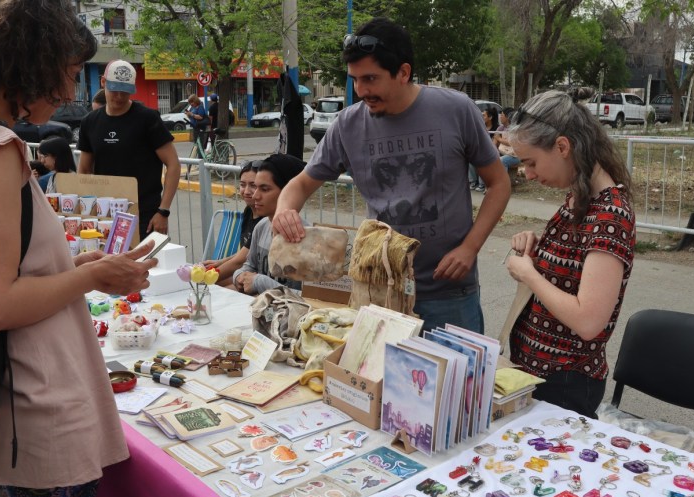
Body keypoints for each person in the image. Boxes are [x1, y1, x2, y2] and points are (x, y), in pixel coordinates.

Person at [0, 2, 157, 497]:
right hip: (33, 401)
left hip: (23, 393)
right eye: (71, 75)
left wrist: (74, 270)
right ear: (35, 63)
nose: (72, 93)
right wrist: (94, 274)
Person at [272, 17, 511, 334]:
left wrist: (470, 248)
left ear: (404, 72)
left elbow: (499, 183)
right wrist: (284, 209)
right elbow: (300, 184)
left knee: (456, 383)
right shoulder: (348, 125)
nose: (361, 91)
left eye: (370, 78)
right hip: (380, 290)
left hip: (449, 292)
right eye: (355, 79)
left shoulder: (456, 109)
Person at [505, 88, 636, 418]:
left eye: (531, 162)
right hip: (542, 372)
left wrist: (530, 275)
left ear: (562, 146)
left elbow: (588, 320)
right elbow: (573, 272)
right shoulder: (579, 198)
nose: (529, 174)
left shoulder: (610, 215)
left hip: (565, 381)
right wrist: (539, 250)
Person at [78, 59, 180, 238]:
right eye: (114, 89)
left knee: (145, 265)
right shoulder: (90, 122)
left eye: (125, 92)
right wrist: (87, 209)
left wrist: (163, 211)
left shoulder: (148, 118)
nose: (119, 96)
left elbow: (173, 164)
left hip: (145, 215)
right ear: (103, 82)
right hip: (105, 214)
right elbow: (84, 169)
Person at [234, 154, 307, 295]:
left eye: (265, 189)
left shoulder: (307, 237)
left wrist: (261, 282)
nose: (255, 195)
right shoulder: (261, 227)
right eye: (256, 188)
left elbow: (313, 299)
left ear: (287, 192)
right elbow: (249, 265)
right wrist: (239, 276)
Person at [203, 160, 262, 287]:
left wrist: (205, 277)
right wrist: (219, 262)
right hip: (244, 271)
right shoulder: (248, 211)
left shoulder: (264, 220)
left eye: (253, 185)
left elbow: (240, 260)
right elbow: (246, 251)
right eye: (242, 184)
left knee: (213, 287)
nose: (246, 191)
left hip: (256, 277)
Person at [468, 106, 498, 193]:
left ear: (490, 117)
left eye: (483, 115)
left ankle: (482, 184)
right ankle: (473, 181)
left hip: (492, 152)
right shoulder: (480, 127)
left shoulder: (496, 128)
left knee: (483, 159)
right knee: (470, 159)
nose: (481, 117)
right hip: (480, 149)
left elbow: (493, 144)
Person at [495, 107, 521, 184]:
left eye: (502, 115)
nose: (500, 117)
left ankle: (503, 185)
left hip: (515, 155)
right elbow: (494, 141)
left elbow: (512, 143)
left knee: (501, 161)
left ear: (508, 117)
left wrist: (499, 139)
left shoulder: (515, 128)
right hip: (503, 152)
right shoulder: (500, 127)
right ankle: (482, 184)